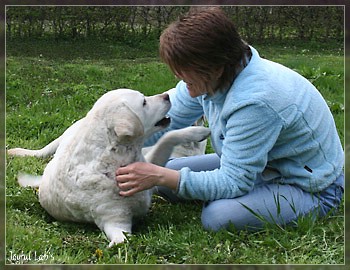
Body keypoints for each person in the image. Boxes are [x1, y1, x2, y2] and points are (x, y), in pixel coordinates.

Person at [116, 7, 344, 232]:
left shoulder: (255, 102)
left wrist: (160, 176)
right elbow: (166, 121)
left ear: (214, 69)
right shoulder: (215, 75)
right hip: (262, 165)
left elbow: (233, 182)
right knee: (166, 171)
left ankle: (296, 202)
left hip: (307, 184)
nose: (180, 80)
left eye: (186, 77)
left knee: (218, 216)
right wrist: (105, 137)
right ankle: (240, 189)